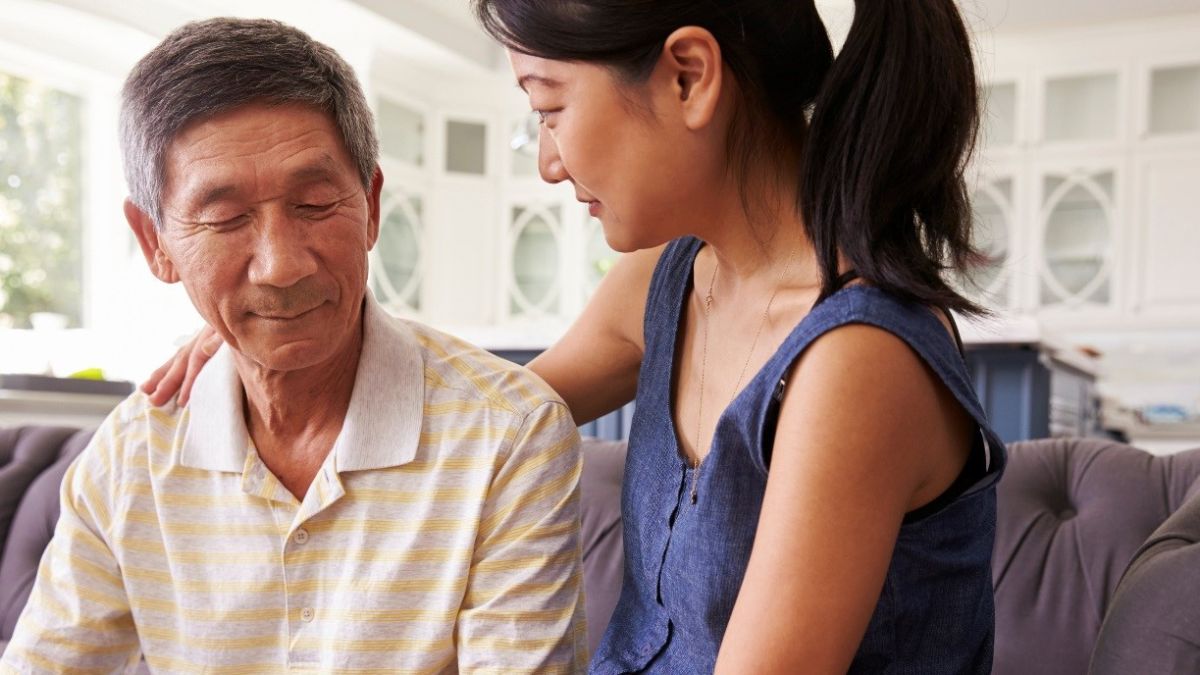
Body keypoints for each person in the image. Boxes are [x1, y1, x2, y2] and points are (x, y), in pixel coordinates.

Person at [147, 2, 1007, 673]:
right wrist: (274, 343)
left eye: (549, 108)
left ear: (688, 77)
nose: (548, 161)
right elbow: (473, 414)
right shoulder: (670, 279)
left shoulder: (857, 361)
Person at [0, 18, 587, 673]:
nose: (281, 265)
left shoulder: (507, 434)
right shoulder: (129, 461)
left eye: (313, 203)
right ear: (154, 242)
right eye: (225, 217)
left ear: (370, 203)